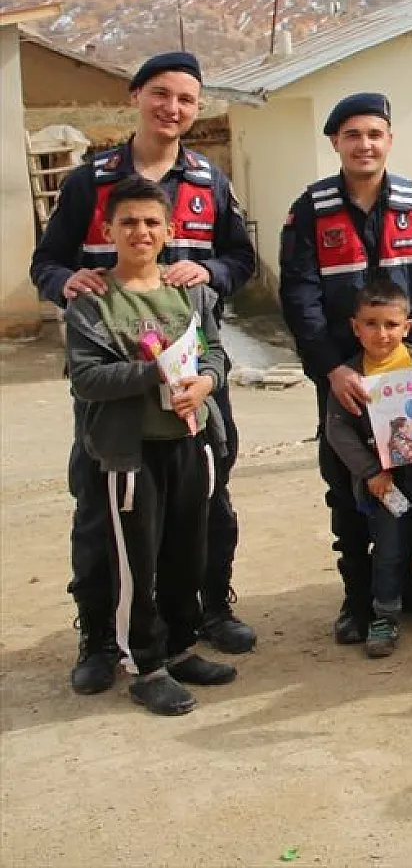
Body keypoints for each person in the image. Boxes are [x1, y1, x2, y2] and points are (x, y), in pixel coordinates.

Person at [30, 50, 258, 696]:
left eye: (187, 99)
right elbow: (46, 260)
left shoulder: (209, 180)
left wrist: (209, 273)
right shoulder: (91, 180)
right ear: (136, 96)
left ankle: (206, 611)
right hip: (122, 384)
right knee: (104, 510)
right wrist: (62, 280)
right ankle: (101, 635)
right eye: (162, 94)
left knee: (204, 496)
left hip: (192, 382)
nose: (174, 109)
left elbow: (241, 259)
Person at [278, 92, 412, 645]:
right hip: (348, 381)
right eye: (353, 134)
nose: (365, 144)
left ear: (389, 139)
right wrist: (331, 368)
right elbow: (299, 297)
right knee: (355, 484)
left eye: (375, 133)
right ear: (335, 142)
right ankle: (360, 598)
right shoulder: (311, 209)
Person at [62, 175, 236, 715]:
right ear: (108, 229)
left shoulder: (190, 292)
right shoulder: (91, 302)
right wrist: (152, 374)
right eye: (129, 222)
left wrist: (205, 384)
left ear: (170, 230)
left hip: (188, 445)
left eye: (151, 222)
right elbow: (86, 378)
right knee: (135, 562)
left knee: (188, 550)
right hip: (129, 455)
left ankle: (180, 646)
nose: (141, 232)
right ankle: (144, 663)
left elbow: (214, 356)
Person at [323, 279, 412, 657]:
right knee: (388, 548)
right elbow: (337, 432)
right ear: (355, 328)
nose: (381, 333)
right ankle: (385, 614)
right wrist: (370, 472)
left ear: (407, 326)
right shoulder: (349, 377)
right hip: (385, 484)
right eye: (371, 324)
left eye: (391, 324)